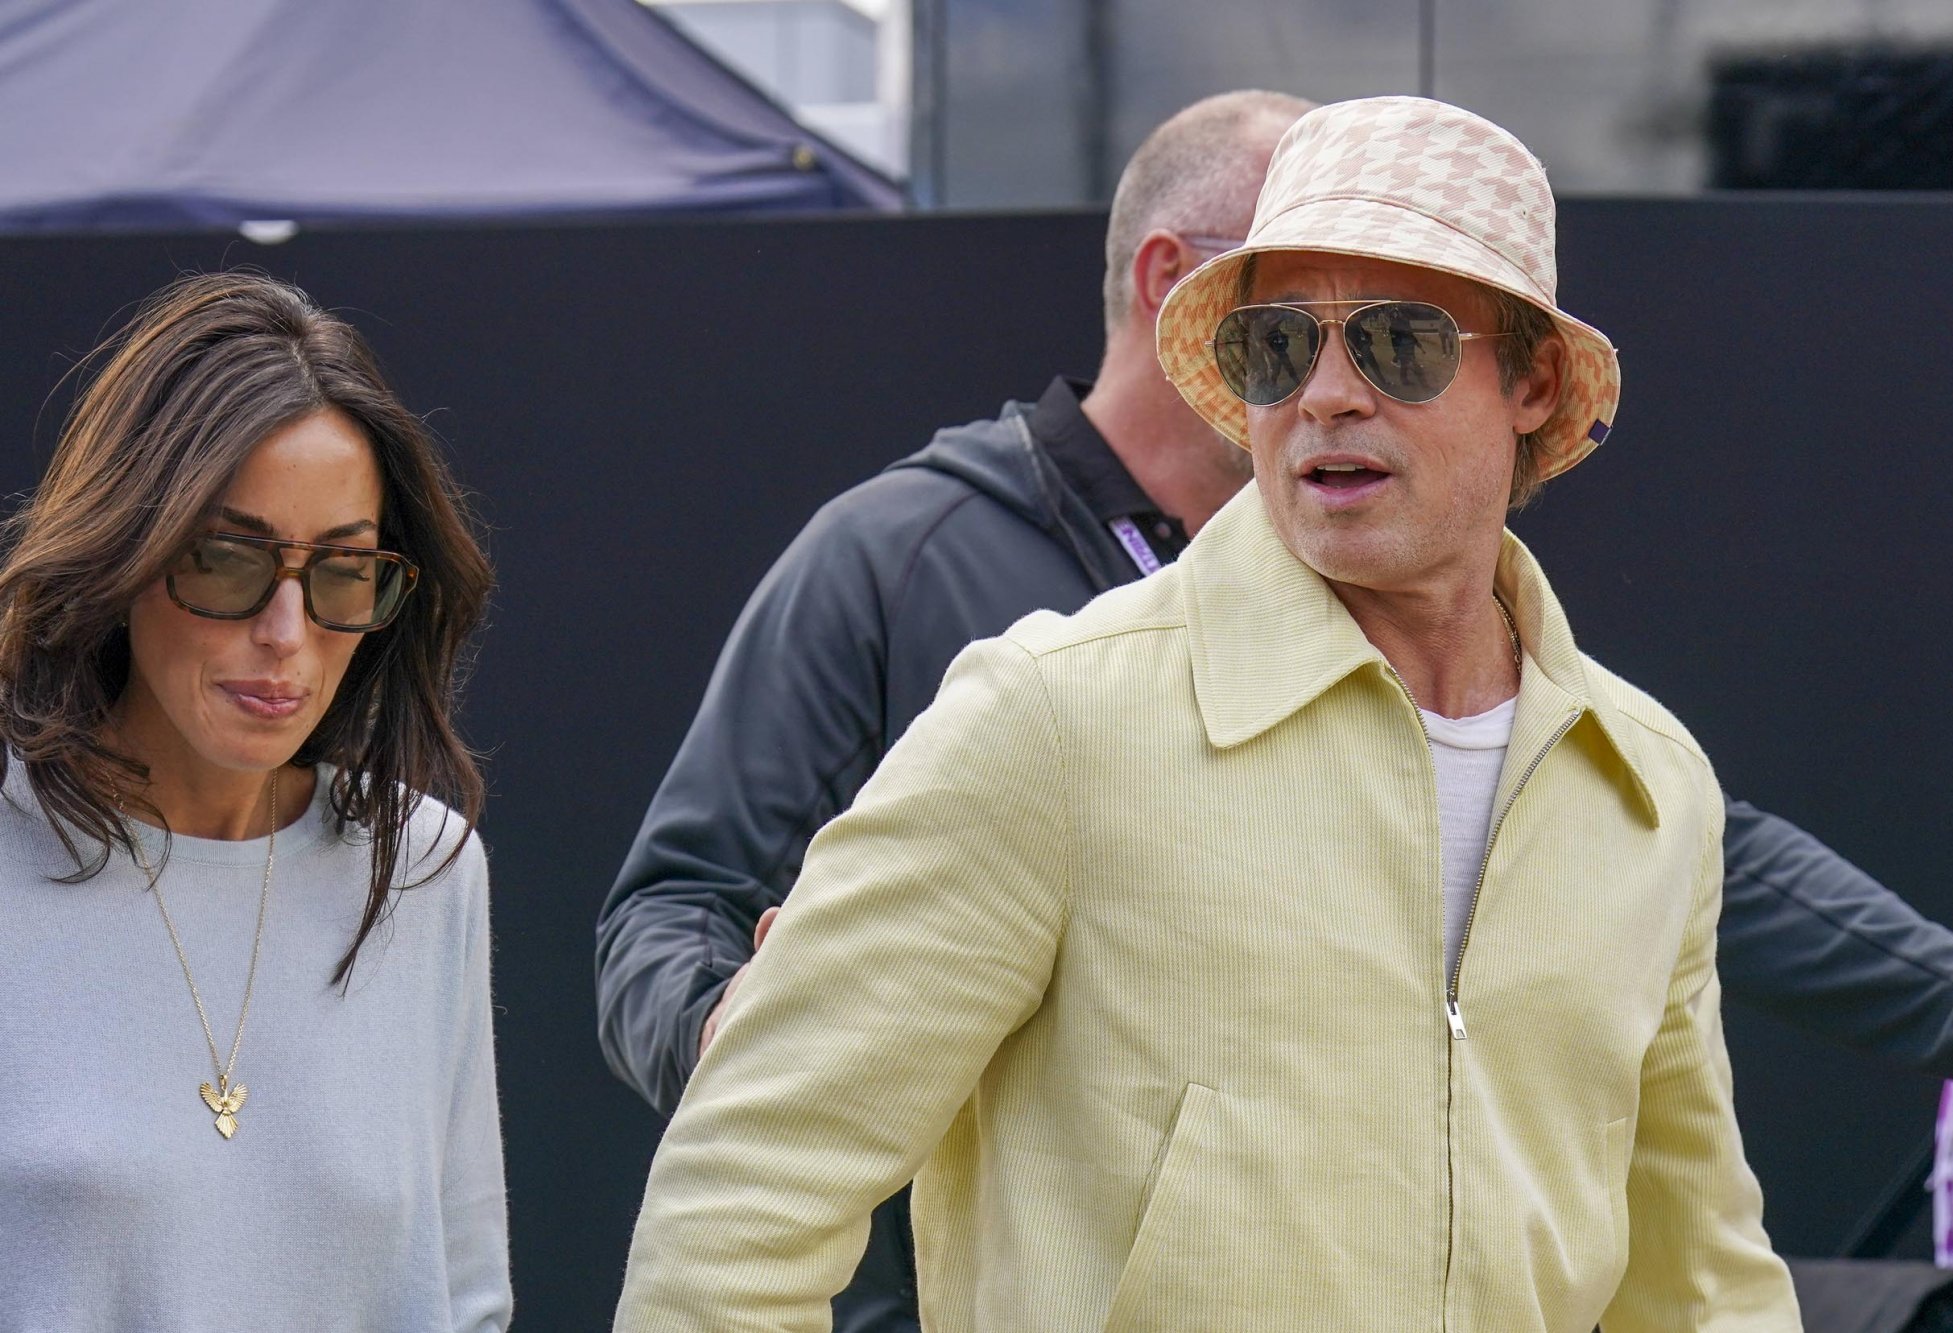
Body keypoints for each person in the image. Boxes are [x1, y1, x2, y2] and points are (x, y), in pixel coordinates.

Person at [612, 96, 1800, 1330]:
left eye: (1396, 342)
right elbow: (740, 1204)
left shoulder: (1646, 784)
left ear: (1533, 382)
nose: (1325, 394)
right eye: (1273, 346)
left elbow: (1701, 1286)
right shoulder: (1050, 718)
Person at [595, 88, 1313, 1328]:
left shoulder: (1339, 590)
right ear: (1169, 281)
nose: (1343, 351)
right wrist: (743, 1036)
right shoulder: (893, 557)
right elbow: (667, 914)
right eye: (1304, 291)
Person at [0, 273, 509, 1330]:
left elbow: (463, 1297)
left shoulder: (425, 869)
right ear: (127, 548)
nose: (286, 632)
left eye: (343, 569)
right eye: (229, 560)